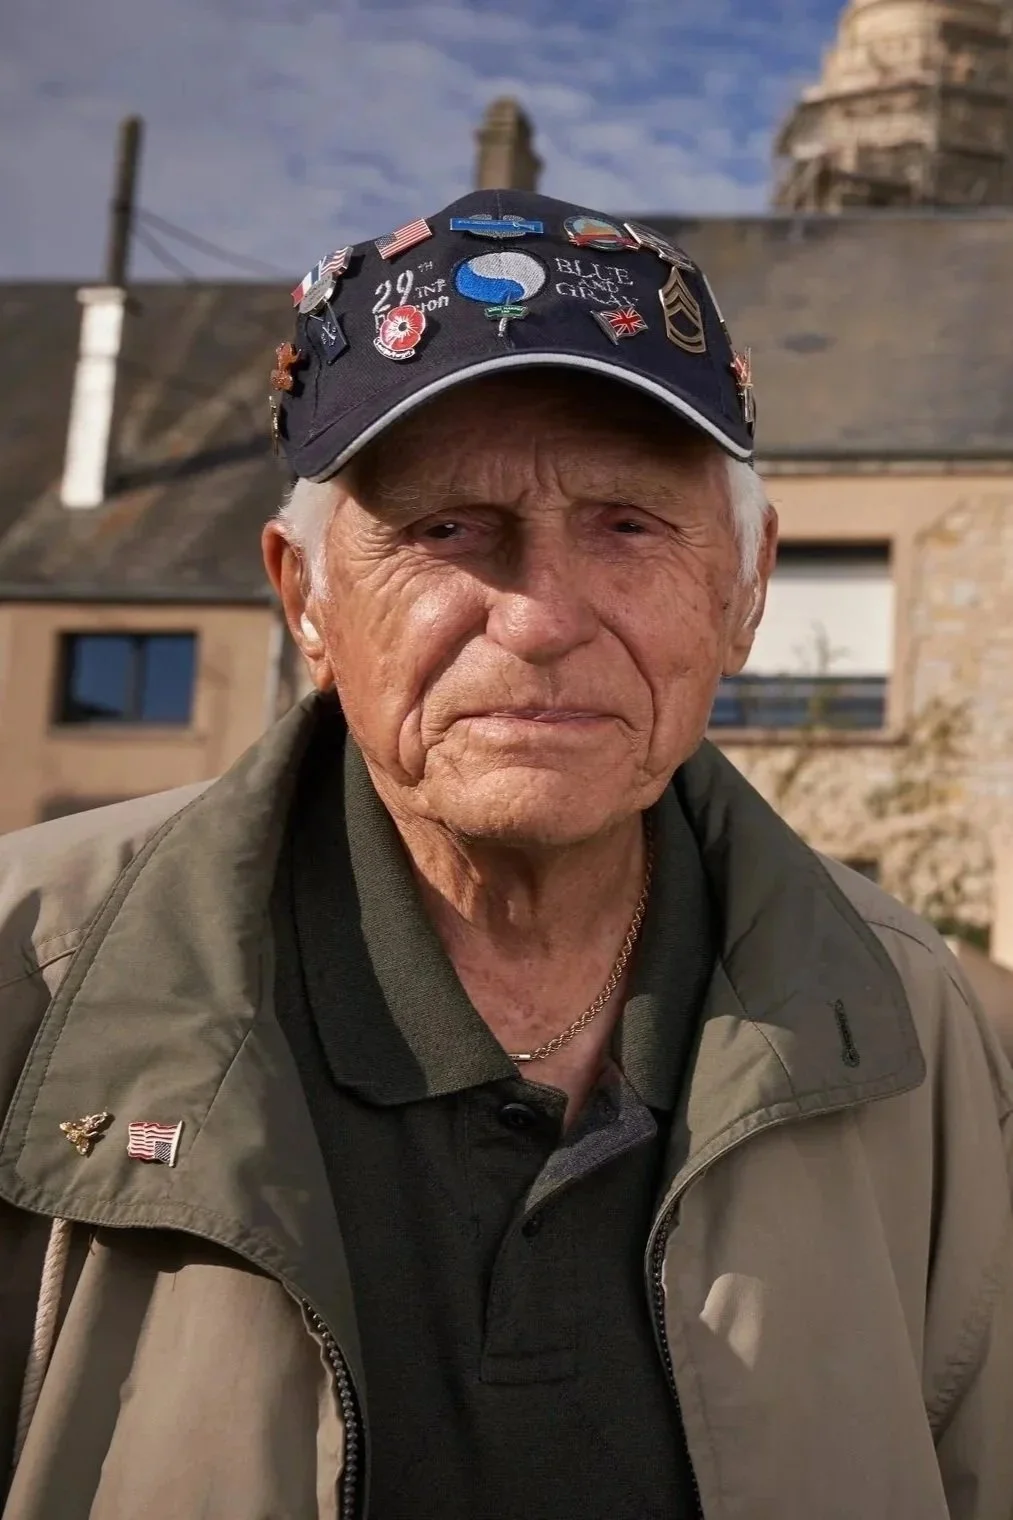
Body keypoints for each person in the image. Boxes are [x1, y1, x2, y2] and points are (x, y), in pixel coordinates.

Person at [1, 190, 1011, 1520]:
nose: (539, 618)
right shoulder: (30, 977)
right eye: (445, 528)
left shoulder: (907, 1024)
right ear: (304, 597)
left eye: (630, 525)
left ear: (748, 590)